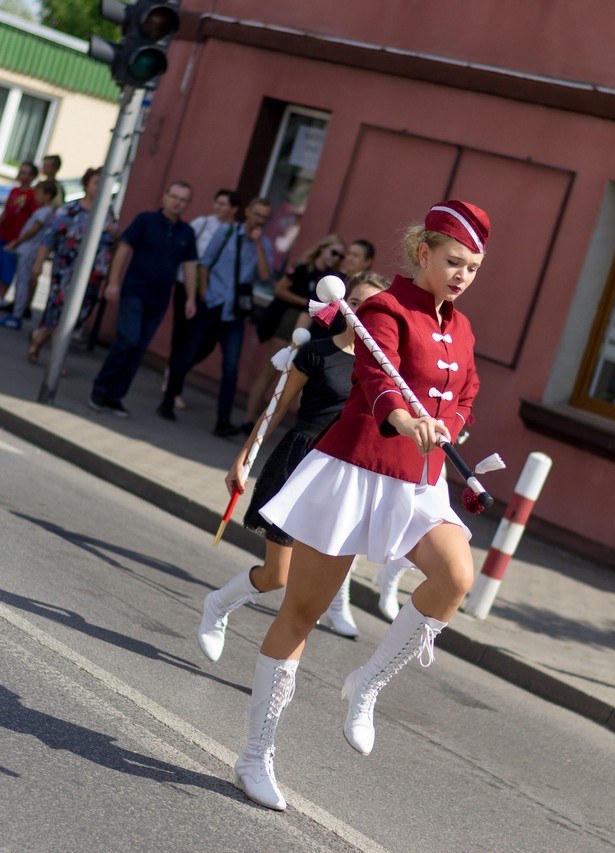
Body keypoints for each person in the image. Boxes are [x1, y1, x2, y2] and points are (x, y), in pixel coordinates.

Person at [229, 200, 488, 811]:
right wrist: (404, 419)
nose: (462, 276)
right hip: (355, 470)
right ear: (423, 252)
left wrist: (447, 426)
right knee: (302, 612)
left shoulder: (463, 328)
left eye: (473, 268)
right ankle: (255, 755)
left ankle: (367, 682)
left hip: (419, 481)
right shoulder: (383, 309)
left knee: (456, 576)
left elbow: (467, 393)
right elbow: (376, 378)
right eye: (454, 262)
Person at [200, 273, 390, 661]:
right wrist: (244, 459)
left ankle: (278, 671)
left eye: (370, 307)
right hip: (299, 464)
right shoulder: (316, 352)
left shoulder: (385, 369)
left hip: (342, 476)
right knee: (278, 576)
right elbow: (275, 409)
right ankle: (218, 604)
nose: (360, 313)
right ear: (340, 304)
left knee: (311, 592)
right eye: (354, 303)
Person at [157, 197, 273, 437]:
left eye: (265, 217)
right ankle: (168, 401)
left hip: (234, 314)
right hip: (213, 304)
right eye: (257, 214)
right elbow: (205, 263)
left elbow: (264, 276)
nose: (260, 220)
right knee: (189, 353)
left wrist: (258, 244)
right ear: (248, 212)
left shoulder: (265, 245)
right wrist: (204, 292)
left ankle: (223, 421)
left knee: (230, 367)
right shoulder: (226, 232)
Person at [87, 180, 198, 416]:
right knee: (128, 339)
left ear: (187, 204)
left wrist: (190, 298)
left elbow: (190, 266)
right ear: (165, 196)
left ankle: (115, 396)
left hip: (159, 299)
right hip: (134, 291)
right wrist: (113, 282)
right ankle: (100, 388)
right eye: (174, 197)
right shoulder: (146, 220)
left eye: (183, 200)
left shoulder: (187, 233)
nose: (177, 202)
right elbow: (124, 249)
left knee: (138, 348)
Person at [244, 233, 346, 422]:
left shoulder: (332, 278)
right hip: (289, 320)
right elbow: (280, 290)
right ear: (322, 249)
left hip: (312, 328)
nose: (336, 258)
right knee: (271, 370)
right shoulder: (303, 269)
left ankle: (271, 422)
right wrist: (307, 302)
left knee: (296, 379)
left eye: (340, 256)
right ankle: (248, 419)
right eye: (334, 252)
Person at [26, 167, 112, 363]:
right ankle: (56, 362)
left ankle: (39, 338)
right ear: (86, 184)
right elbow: (49, 239)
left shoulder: (107, 212)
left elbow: (110, 243)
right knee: (60, 312)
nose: (100, 188)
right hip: (66, 271)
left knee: (78, 316)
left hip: (93, 276)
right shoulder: (70, 210)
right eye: (96, 183)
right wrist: (38, 264)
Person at [166, 188, 241, 411]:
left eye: (223, 204)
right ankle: (172, 385)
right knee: (181, 334)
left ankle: (175, 375)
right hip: (187, 285)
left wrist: (206, 290)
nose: (218, 207)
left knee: (202, 343)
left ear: (233, 209)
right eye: (217, 202)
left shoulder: (236, 231)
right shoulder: (203, 223)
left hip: (211, 295)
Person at [0, 179, 57, 331]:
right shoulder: (43, 210)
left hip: (29, 251)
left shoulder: (45, 212)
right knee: (21, 282)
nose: (36, 197)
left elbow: (33, 230)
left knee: (22, 283)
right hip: (26, 250)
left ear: (48, 195)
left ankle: (17, 315)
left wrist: (17, 242)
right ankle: (16, 312)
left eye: (39, 193)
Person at [0, 159, 37, 309]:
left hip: (16, 239)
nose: (21, 174)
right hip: (2, 235)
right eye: (21, 171)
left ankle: (0, 298)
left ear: (32, 177)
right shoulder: (14, 191)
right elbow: (6, 212)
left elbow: (33, 219)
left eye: (25, 173)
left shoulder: (32, 195)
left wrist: (22, 239)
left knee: (7, 270)